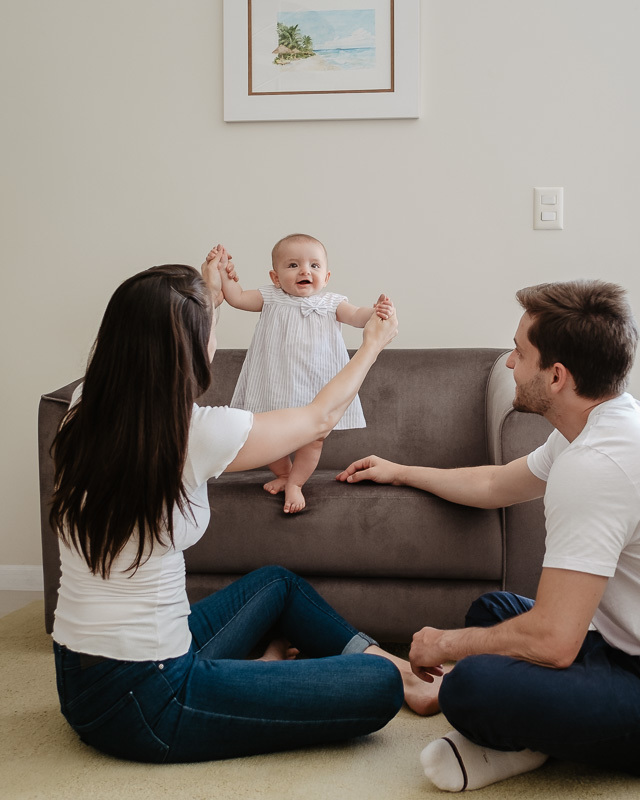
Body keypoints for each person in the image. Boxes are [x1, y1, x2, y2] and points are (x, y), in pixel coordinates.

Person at [336, 279, 640, 791]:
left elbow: (555, 643)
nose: (510, 364)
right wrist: (402, 471)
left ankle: (522, 741)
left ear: (557, 376)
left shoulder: (598, 465)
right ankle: (531, 737)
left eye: (520, 353)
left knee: (470, 685)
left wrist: (445, 645)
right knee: (492, 613)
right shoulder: (602, 424)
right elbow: (497, 483)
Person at [48, 248, 439, 765]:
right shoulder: (193, 433)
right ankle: (372, 674)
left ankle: (394, 669)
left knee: (276, 583)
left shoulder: (81, 407)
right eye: (207, 327)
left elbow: (158, 333)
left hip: (82, 680)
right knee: (376, 687)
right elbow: (319, 419)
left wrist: (209, 294)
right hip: (151, 697)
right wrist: (370, 346)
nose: (214, 337)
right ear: (187, 347)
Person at [217, 233, 393, 513]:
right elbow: (236, 298)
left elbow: (358, 315)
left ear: (326, 276)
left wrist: (376, 311)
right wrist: (223, 275)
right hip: (273, 385)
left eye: (314, 265)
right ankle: (284, 474)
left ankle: (296, 483)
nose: (304, 271)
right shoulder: (270, 297)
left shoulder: (332, 303)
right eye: (293, 265)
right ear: (275, 277)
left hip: (316, 390)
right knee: (269, 441)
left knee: (313, 440)